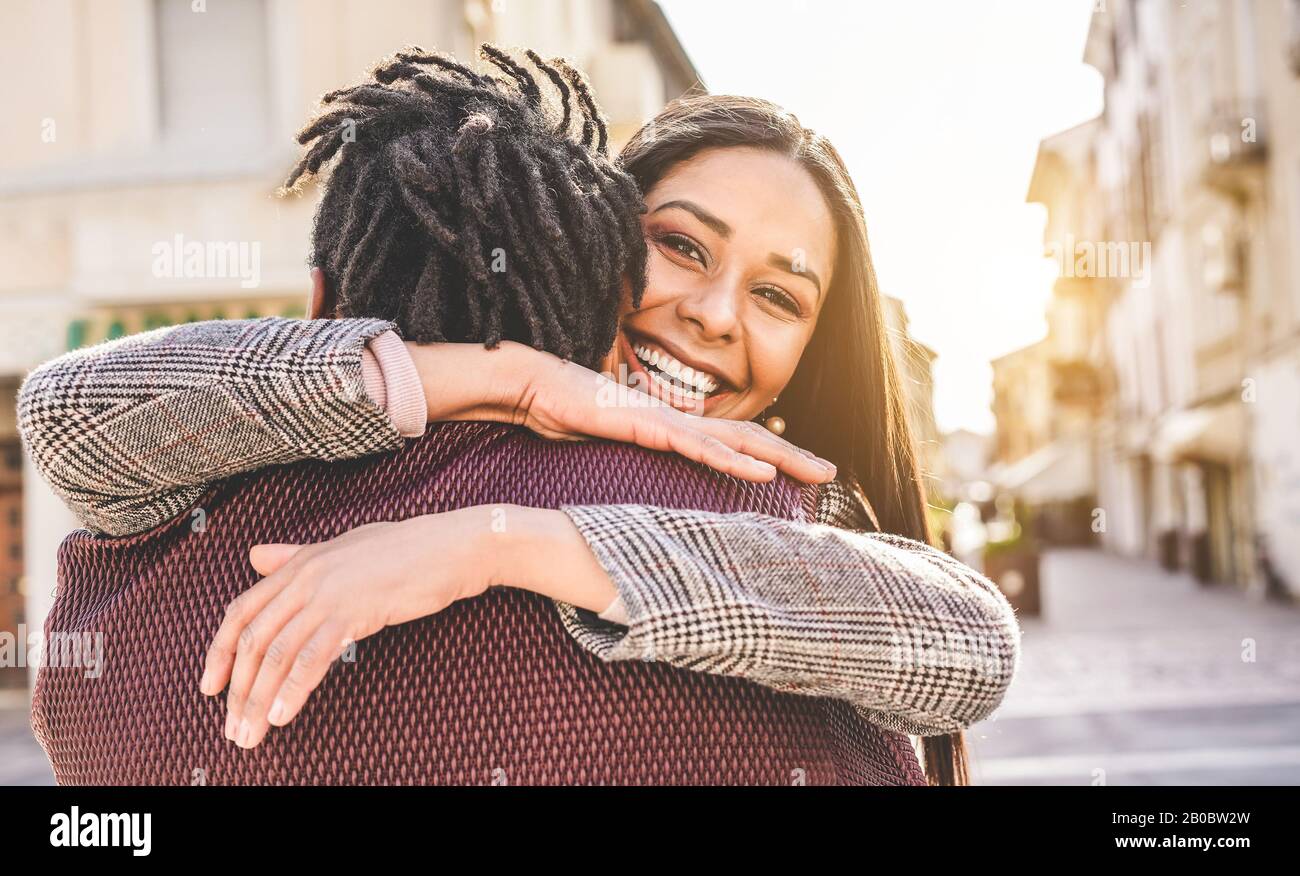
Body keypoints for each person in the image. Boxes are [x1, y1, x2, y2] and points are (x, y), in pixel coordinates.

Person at [19, 47, 1020, 784]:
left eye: (777, 298)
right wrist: (511, 378)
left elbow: (965, 641)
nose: (713, 315)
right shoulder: (229, 459)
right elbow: (65, 407)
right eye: (681, 247)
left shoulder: (789, 531)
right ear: (590, 237)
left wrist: (486, 546)